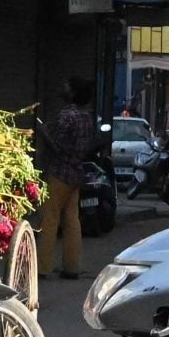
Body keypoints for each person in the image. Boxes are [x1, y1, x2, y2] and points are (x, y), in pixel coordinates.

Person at [30, 76, 98, 281]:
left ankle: (43, 267)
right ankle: (72, 267)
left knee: (49, 219)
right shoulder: (87, 118)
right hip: (76, 173)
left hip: (59, 172)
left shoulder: (66, 116)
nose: (64, 87)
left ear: (73, 93)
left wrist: (42, 133)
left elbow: (57, 145)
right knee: (72, 220)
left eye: (67, 86)